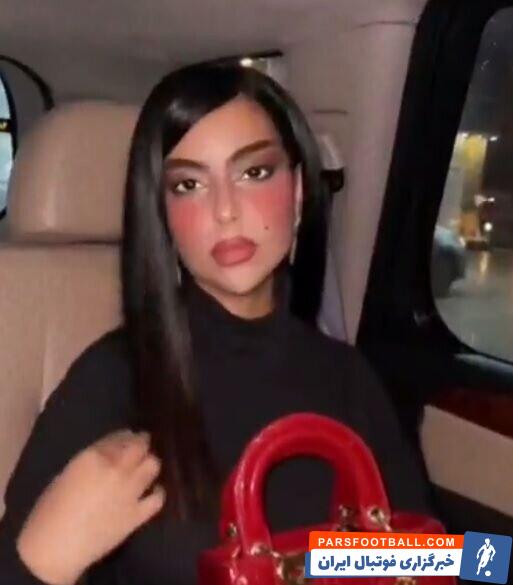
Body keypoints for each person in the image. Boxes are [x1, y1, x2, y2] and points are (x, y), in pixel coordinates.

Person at [0, 61, 434, 585]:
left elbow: (428, 557)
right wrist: (43, 559)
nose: (226, 210)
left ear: (298, 192)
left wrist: (488, 560)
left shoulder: (349, 380)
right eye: (188, 184)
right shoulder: (113, 381)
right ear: (162, 216)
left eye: (254, 173)